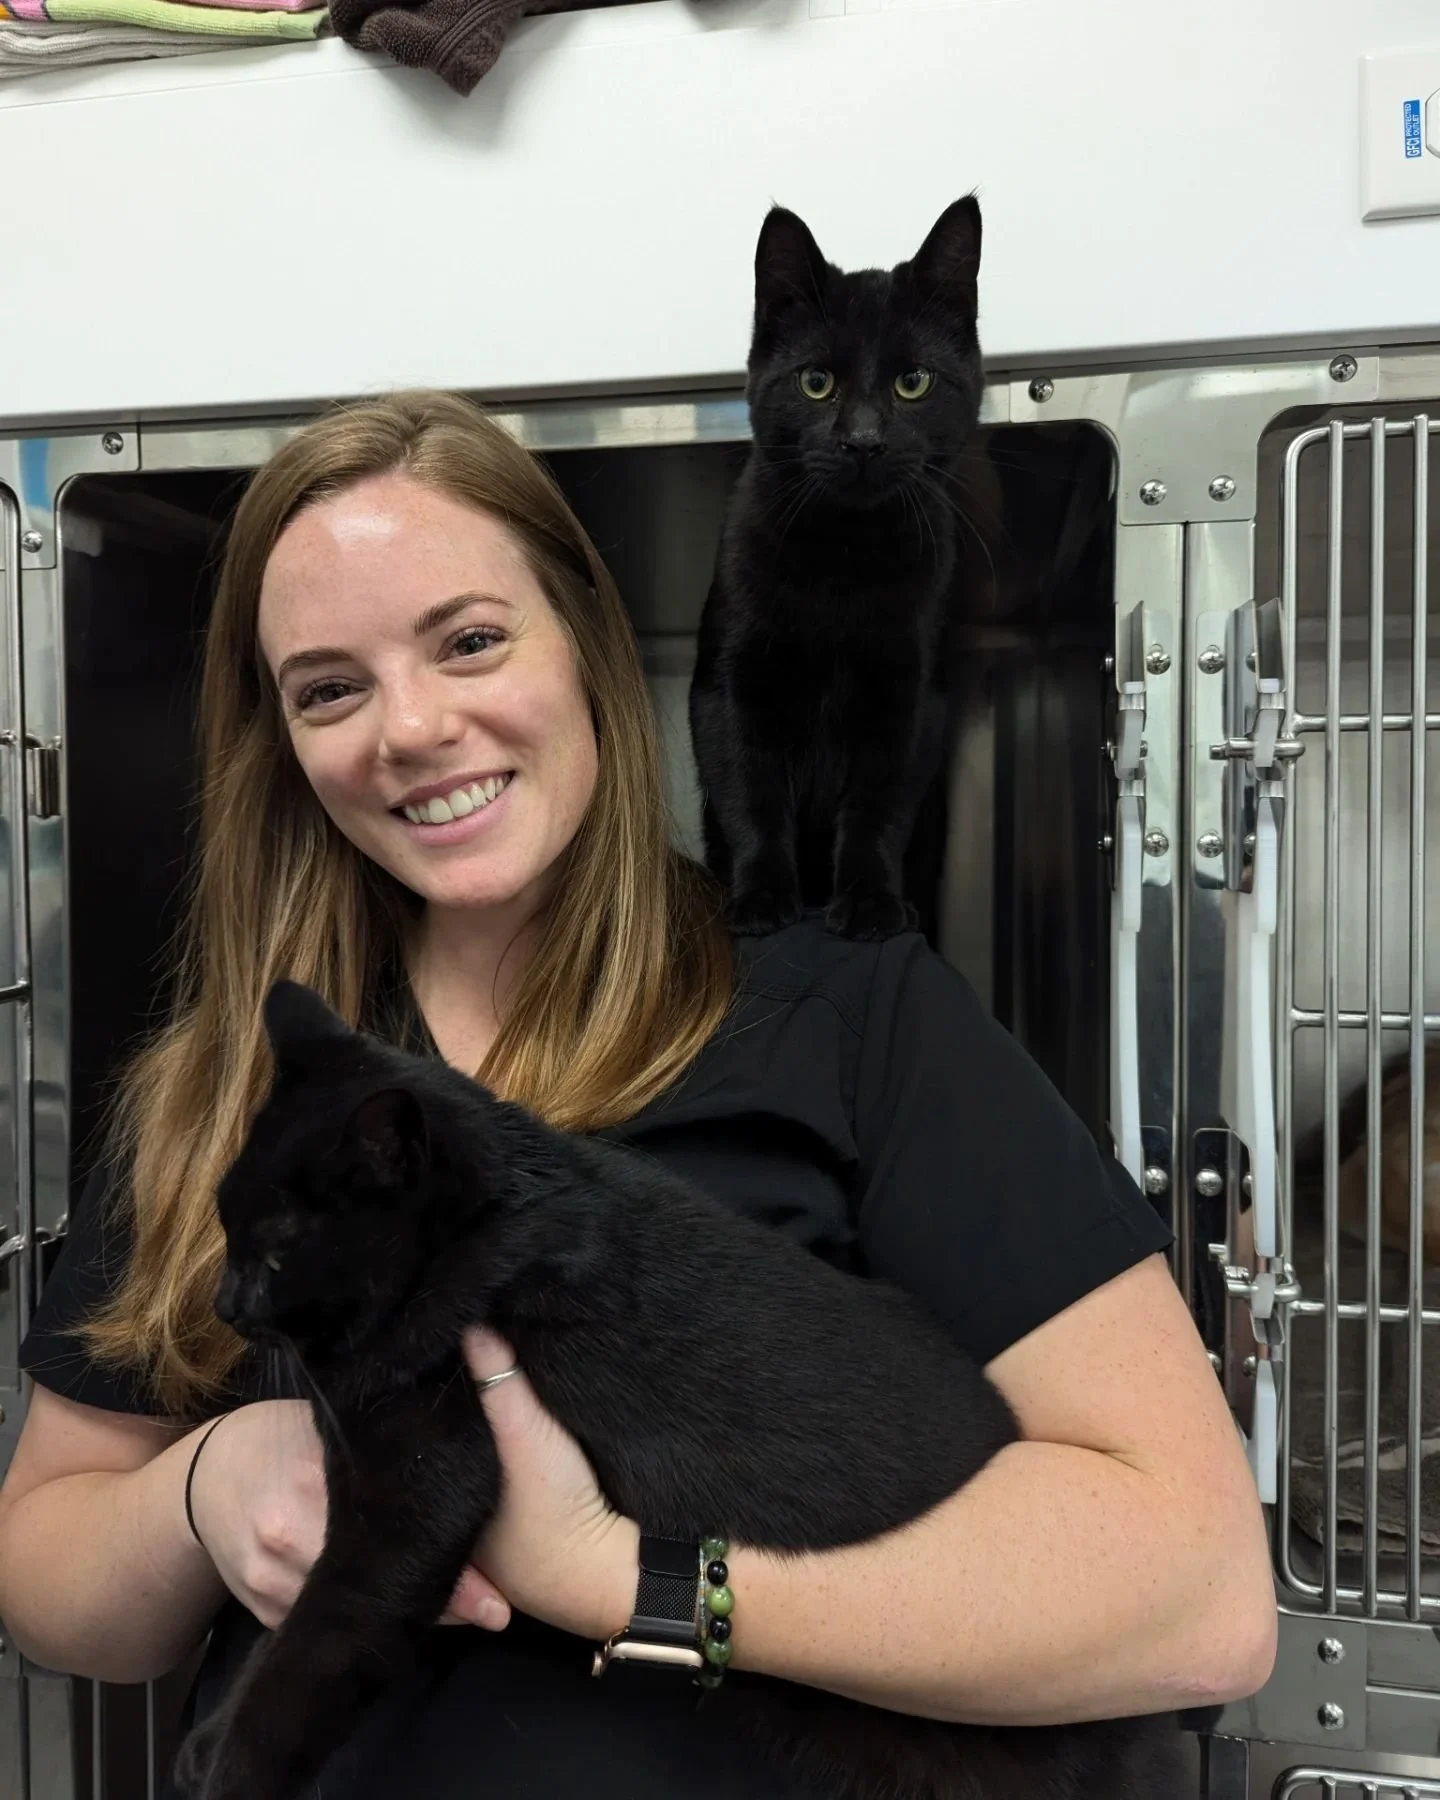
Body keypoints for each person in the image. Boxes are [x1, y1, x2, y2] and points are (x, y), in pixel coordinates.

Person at [0, 390, 1275, 1800]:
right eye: (330, 688)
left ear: (587, 649)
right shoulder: (237, 1091)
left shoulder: (854, 1020)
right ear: (284, 747)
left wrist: (623, 1577)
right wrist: (206, 1492)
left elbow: (1197, 1597)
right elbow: (48, 1576)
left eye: (470, 640)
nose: (411, 729)